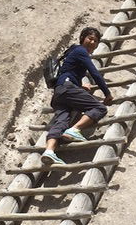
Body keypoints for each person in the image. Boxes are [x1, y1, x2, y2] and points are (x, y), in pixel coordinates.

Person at [42, 27, 113, 167]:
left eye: (95, 40)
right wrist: (107, 93)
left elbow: (68, 73)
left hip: (59, 93)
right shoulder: (81, 51)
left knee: (61, 122)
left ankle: (49, 151)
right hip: (68, 89)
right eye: (90, 38)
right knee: (99, 108)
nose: (92, 42)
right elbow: (95, 73)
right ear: (82, 38)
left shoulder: (71, 52)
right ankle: (74, 130)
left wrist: (79, 87)